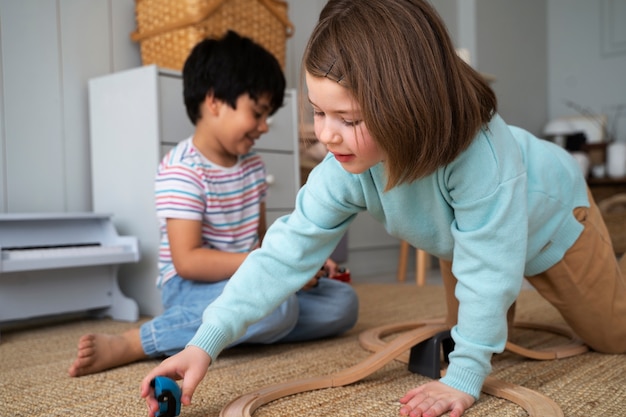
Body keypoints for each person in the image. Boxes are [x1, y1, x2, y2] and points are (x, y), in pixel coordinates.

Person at [141, 1, 626, 416]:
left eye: (347, 118)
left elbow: (492, 267)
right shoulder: (343, 165)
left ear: (408, 105)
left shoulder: (481, 155)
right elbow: (282, 253)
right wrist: (205, 342)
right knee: (480, 323)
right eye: (317, 111)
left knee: (613, 336)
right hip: (467, 243)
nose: (326, 135)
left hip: (556, 223)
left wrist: (465, 378)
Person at [68, 30, 358, 378]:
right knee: (279, 309)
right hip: (192, 287)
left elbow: (264, 242)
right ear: (215, 101)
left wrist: (301, 262)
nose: (265, 127)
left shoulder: (253, 167)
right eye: (258, 112)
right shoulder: (182, 168)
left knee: (343, 303)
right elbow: (188, 261)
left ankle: (230, 332)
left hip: (246, 274)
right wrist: (262, 270)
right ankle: (139, 341)